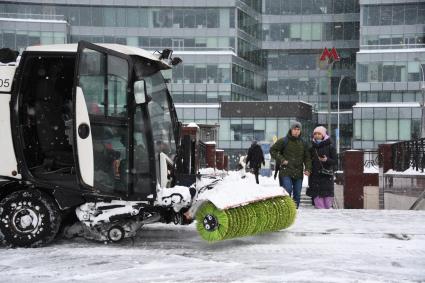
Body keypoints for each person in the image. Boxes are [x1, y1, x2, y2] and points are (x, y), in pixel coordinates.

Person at [270, 121, 311, 208]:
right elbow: (273, 150)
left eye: (298, 129)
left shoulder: (303, 143)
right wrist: (282, 159)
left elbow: (307, 157)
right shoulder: (283, 141)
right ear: (291, 130)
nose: (296, 131)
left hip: (298, 172)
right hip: (286, 171)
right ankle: (287, 210)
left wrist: (308, 169)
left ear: (300, 131)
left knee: (297, 194)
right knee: (287, 190)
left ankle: (295, 212)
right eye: (294, 129)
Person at [309, 126, 337, 209]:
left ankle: (328, 218)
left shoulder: (330, 147)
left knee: (327, 199)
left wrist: (326, 159)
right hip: (314, 176)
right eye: (315, 134)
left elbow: (335, 161)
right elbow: (308, 160)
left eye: (319, 134)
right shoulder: (311, 148)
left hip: (326, 176)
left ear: (324, 135)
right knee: (317, 199)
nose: (317, 135)